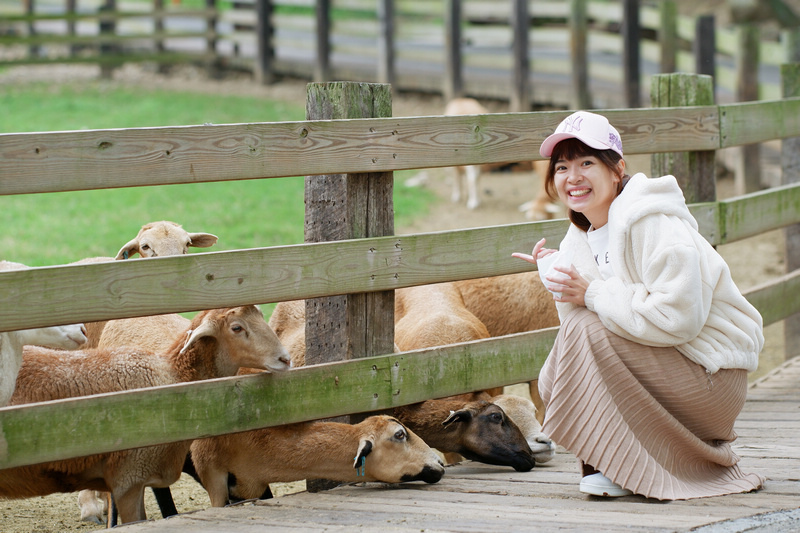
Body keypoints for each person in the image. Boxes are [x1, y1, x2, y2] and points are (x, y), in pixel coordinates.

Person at [512, 110, 765, 500]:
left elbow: (678, 319)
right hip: (669, 366)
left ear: (617, 170)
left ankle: (623, 468)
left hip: (713, 374)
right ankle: (620, 464)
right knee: (553, 376)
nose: (572, 177)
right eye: (561, 167)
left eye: (587, 163)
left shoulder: (653, 223)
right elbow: (579, 330)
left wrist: (591, 292)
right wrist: (559, 281)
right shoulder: (577, 239)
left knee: (581, 337)